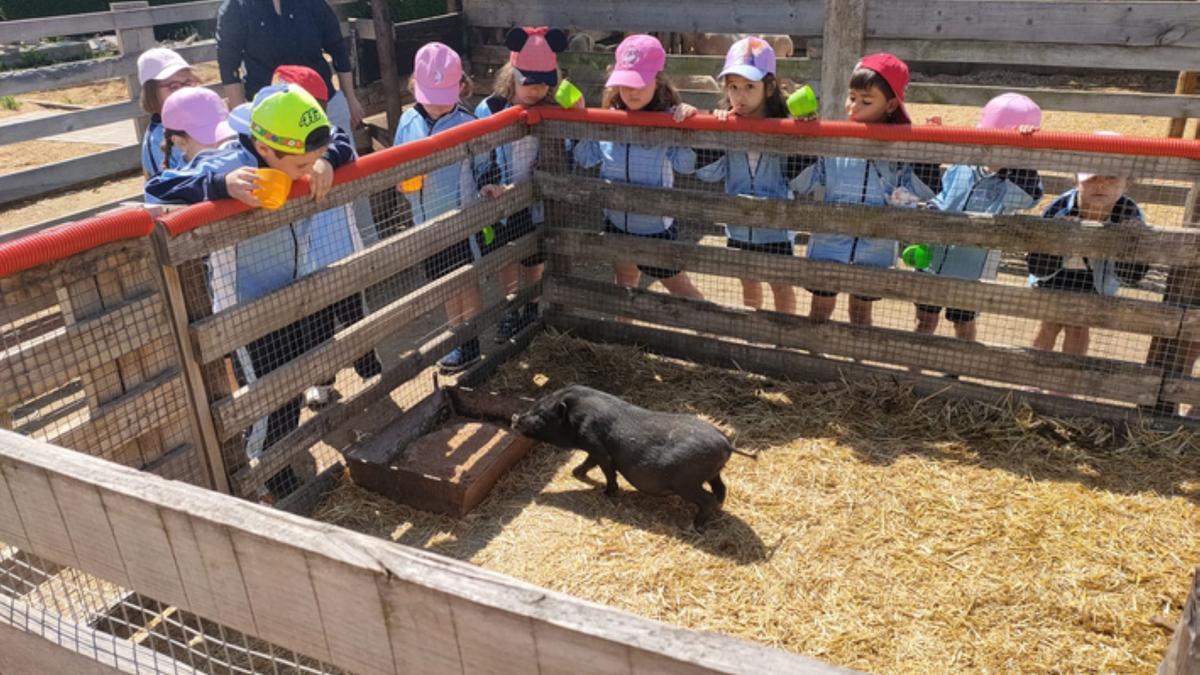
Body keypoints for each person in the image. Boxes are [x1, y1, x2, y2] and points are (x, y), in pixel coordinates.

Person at [145, 85, 357, 458]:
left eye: (313, 162)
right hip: (245, 310)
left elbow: (341, 140)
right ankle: (256, 476)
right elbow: (157, 191)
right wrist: (220, 186)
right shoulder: (229, 164)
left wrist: (326, 160)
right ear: (264, 149)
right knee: (266, 399)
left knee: (290, 391)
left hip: (292, 296)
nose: (306, 173)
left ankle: (279, 469)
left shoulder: (300, 154)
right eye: (300, 166)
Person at [789, 52, 940, 326]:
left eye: (866, 101)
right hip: (830, 244)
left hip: (875, 248)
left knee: (860, 314)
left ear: (891, 104)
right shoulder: (835, 140)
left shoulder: (901, 148)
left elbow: (922, 189)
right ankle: (810, 357)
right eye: (852, 97)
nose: (853, 106)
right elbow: (804, 182)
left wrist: (926, 150)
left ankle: (857, 364)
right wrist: (804, 142)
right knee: (819, 310)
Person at [572, 34, 704, 301]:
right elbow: (585, 158)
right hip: (616, 221)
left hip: (655, 228)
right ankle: (624, 336)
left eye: (639, 84)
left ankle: (710, 330)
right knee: (625, 284)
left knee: (681, 290)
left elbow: (686, 165)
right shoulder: (609, 119)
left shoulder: (669, 119)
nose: (631, 92)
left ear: (658, 80)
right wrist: (582, 122)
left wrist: (690, 130)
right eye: (625, 84)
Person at [695, 37, 814, 314]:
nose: (740, 95)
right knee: (748, 281)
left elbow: (804, 182)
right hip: (738, 224)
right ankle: (753, 334)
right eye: (733, 87)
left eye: (750, 86)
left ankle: (782, 337)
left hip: (775, 226)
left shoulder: (785, 126)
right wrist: (712, 136)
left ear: (769, 87)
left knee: (780, 284)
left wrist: (802, 137)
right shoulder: (725, 125)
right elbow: (709, 175)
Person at [914, 93, 1044, 343]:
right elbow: (945, 195)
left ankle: (958, 368)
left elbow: (1029, 197)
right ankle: (913, 368)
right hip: (934, 257)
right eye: (985, 138)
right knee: (925, 317)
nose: (988, 147)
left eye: (1000, 142)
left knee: (963, 321)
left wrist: (1024, 156)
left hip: (973, 268)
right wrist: (930, 208)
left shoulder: (1012, 184)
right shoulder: (963, 165)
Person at [394, 42, 489, 374]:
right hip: (425, 220)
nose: (436, 103)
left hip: (460, 219)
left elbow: (483, 163)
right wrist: (403, 180)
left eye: (443, 93)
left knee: (464, 279)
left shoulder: (467, 121)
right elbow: (396, 164)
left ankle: (471, 342)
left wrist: (487, 185)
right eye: (429, 93)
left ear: (461, 86)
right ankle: (455, 337)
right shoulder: (408, 121)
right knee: (444, 282)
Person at [476, 27, 569, 341]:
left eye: (544, 83)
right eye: (529, 83)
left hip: (537, 197)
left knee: (535, 256)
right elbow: (480, 151)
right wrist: (489, 182)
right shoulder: (490, 109)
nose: (536, 90)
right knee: (508, 256)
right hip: (503, 198)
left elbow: (566, 147)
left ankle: (531, 306)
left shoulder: (553, 109)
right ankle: (509, 310)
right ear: (512, 76)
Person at [1028, 131, 1149, 357]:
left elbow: (1134, 270)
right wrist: (1058, 232)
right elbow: (1038, 254)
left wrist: (1131, 238)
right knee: (1049, 321)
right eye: (1092, 177)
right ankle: (1032, 376)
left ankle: (1065, 386)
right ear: (1076, 179)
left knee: (1078, 326)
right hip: (1058, 271)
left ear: (1127, 182)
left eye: (1111, 178)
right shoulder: (1060, 207)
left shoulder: (1131, 214)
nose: (1100, 184)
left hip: (1097, 274)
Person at [216, 0, 365, 132]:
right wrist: (241, 117)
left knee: (343, 158)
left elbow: (338, 48)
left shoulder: (313, 3)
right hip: (271, 114)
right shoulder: (236, 7)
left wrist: (350, 98)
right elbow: (229, 67)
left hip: (322, 105)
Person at [137, 48, 200, 179]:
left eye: (188, 83)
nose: (184, 91)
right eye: (174, 86)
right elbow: (172, 189)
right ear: (152, 93)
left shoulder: (203, 120)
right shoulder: (157, 140)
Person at [156, 87, 237, 171]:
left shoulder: (241, 163)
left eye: (226, 133)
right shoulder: (185, 182)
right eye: (211, 137)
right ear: (180, 143)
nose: (223, 143)